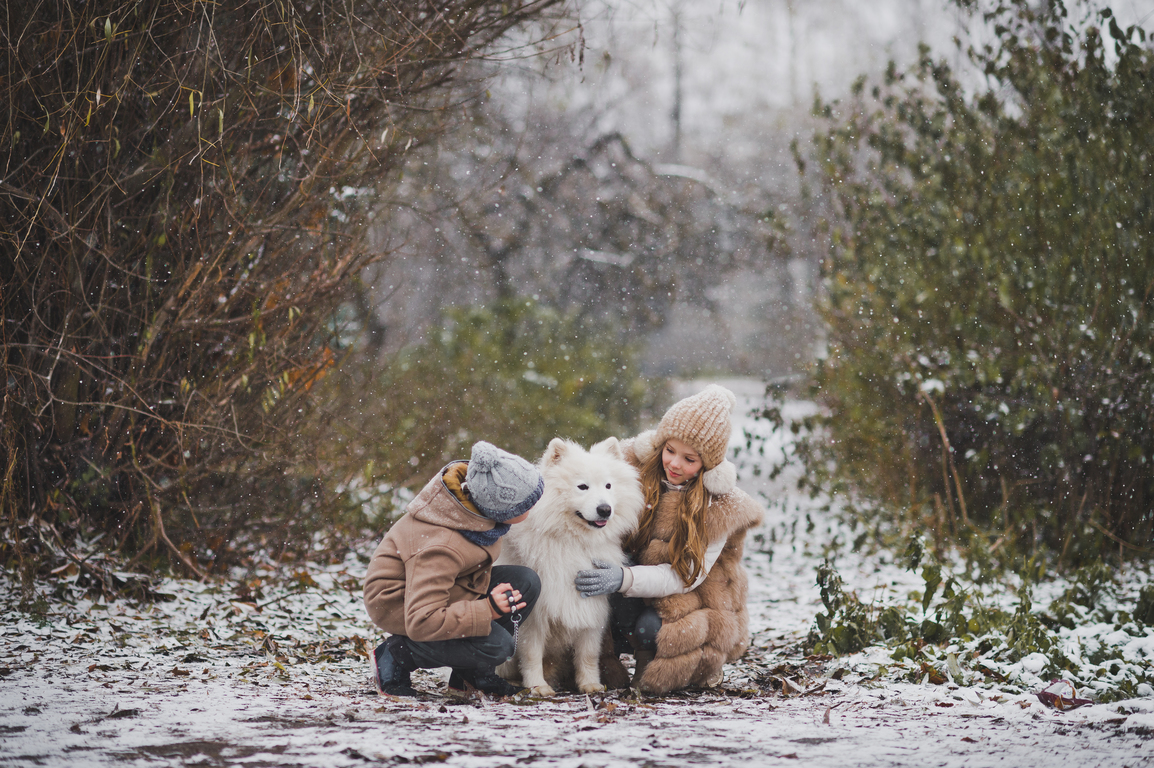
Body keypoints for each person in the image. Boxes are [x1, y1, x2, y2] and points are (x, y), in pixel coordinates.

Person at [574, 384, 763, 694]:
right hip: (635, 579)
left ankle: (661, 663)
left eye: (690, 459)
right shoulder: (632, 471)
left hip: (693, 594)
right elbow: (573, 476)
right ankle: (599, 660)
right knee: (600, 605)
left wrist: (623, 577)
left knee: (654, 629)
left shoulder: (719, 508)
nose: (675, 464)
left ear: (709, 467)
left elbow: (684, 576)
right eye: (670, 450)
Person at [363, 441, 543, 697]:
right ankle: (397, 653)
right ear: (501, 509)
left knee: (524, 581)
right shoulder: (443, 546)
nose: (533, 508)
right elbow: (422, 619)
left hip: (448, 585)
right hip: (400, 602)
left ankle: (469, 676)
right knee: (496, 645)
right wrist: (488, 609)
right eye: (527, 504)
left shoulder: (476, 509)